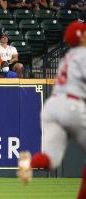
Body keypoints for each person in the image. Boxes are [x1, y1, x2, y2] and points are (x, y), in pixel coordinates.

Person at [17, 21, 86, 199]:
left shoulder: (66, 59)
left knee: (49, 160)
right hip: (71, 106)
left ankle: (28, 164)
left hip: (52, 107)